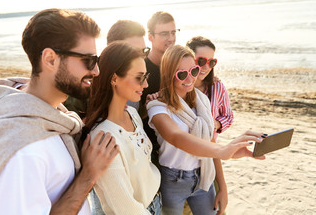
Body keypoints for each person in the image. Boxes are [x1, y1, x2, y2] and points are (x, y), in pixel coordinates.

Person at [0, 8, 119, 215]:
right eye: (88, 61)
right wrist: (88, 175)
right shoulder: (20, 149)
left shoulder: (50, 116)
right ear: (50, 59)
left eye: (96, 60)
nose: (96, 70)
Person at [146, 45, 266, 215]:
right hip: (172, 181)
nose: (190, 78)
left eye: (193, 71)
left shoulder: (202, 101)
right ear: (168, 75)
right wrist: (222, 150)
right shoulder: (157, 106)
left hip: (203, 176)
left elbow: (209, 142)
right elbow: (176, 137)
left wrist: (231, 157)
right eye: (181, 74)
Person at [85, 41, 161, 215]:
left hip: (156, 201)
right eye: (139, 77)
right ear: (114, 79)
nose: (146, 84)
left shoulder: (133, 114)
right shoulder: (103, 137)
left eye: (146, 76)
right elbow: (126, 209)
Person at [139, 11, 179, 166]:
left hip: (178, 149)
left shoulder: (179, 66)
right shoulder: (142, 69)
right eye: (164, 33)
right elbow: (134, 112)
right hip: (152, 151)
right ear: (150, 37)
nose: (171, 38)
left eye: (173, 32)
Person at [186, 36, 233, 141]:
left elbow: (228, 116)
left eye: (211, 62)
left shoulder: (217, 87)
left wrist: (217, 124)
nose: (206, 67)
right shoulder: (178, 86)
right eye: (201, 61)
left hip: (208, 150)